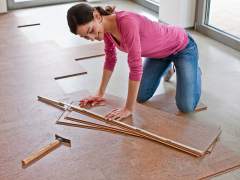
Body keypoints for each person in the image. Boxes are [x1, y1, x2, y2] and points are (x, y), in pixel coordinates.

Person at [66, 3, 202, 121]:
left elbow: (136, 68)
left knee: (186, 106)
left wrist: (128, 108)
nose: (92, 37)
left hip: (182, 46)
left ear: (96, 16)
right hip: (158, 55)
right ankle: (169, 66)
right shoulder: (105, 30)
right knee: (141, 96)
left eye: (90, 30)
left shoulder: (126, 22)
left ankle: (194, 69)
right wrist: (100, 93)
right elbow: (110, 59)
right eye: (85, 36)